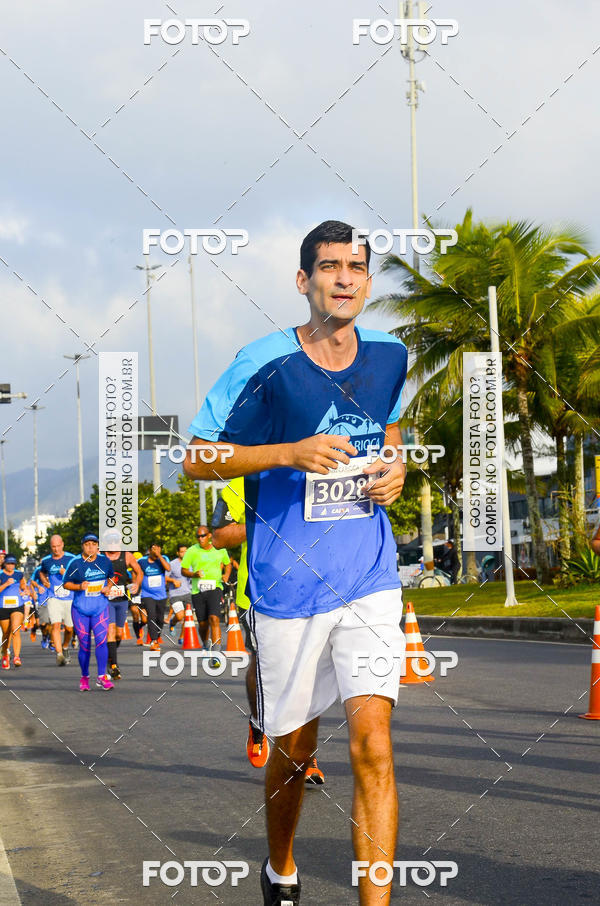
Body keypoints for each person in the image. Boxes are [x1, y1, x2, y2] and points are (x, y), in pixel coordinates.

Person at [184, 220, 407, 906]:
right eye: (330, 266)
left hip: (369, 575)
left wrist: (396, 465)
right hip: (287, 587)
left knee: (373, 744)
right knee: (293, 754)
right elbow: (196, 457)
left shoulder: (391, 355)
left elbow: (391, 428)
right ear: (304, 280)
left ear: (367, 281)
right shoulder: (264, 363)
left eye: (356, 267)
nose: (345, 278)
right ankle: (280, 868)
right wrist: (289, 452)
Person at [212, 479, 325, 782]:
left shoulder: (311, 476)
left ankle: (306, 756)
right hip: (257, 594)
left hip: (308, 590)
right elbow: (220, 536)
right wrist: (270, 521)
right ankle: (258, 723)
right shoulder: (237, 485)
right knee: (264, 666)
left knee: (306, 670)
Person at [63, 533, 115, 691]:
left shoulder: (105, 561)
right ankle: (84, 677)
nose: (91, 547)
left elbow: (111, 578)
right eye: (87, 544)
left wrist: (108, 587)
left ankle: (101, 677)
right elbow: (66, 584)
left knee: (101, 641)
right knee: (85, 645)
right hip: (81, 610)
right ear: (82, 546)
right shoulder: (75, 563)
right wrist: (79, 587)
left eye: (94, 544)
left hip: (100, 608)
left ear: (98, 546)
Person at [181, 526, 231, 666]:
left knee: (214, 619)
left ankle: (216, 654)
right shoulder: (192, 550)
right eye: (198, 536)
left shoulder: (220, 548)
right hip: (198, 591)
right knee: (203, 624)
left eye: (203, 536)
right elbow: (184, 570)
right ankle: (206, 643)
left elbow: (228, 564)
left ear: (209, 535)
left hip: (215, 588)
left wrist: (226, 575)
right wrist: (193, 574)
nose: (200, 538)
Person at [103, 549, 143, 679]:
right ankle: (114, 665)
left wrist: (136, 584)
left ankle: (110, 655)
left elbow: (139, 572)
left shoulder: (126, 555)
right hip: (106, 600)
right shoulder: (100, 556)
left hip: (122, 600)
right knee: (111, 631)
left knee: (119, 634)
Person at [40, 535, 76, 666]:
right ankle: (59, 654)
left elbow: (79, 574)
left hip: (70, 597)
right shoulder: (47, 561)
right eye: (53, 547)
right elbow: (42, 572)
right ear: (51, 547)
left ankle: (65, 646)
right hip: (53, 597)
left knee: (69, 628)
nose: (56, 549)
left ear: (63, 544)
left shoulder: (71, 558)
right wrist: (44, 581)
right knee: (55, 625)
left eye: (58, 546)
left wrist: (66, 573)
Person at [137, 543, 170, 652]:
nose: (155, 550)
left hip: (161, 595)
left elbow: (168, 568)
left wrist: (159, 556)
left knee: (160, 619)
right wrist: (135, 584)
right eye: (153, 548)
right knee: (151, 616)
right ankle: (153, 641)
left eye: (158, 548)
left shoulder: (163, 558)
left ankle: (156, 636)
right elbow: (136, 572)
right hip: (147, 594)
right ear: (149, 550)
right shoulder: (142, 561)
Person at [0, 555, 30, 669]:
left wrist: (24, 590)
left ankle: (17, 657)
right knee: (6, 633)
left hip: (17, 606)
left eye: (13, 564)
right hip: (3, 606)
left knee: (15, 629)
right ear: (4, 564)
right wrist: (6, 584)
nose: (11, 566)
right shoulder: (1, 574)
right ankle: (5, 654)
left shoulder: (19, 574)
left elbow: (23, 585)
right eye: (8, 563)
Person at [166, 544, 192, 642]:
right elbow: (165, 577)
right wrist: (173, 581)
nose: (184, 554)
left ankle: (182, 637)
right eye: (182, 552)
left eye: (186, 551)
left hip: (188, 593)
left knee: (187, 617)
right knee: (180, 615)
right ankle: (172, 622)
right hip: (175, 594)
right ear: (178, 553)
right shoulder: (172, 564)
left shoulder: (190, 563)